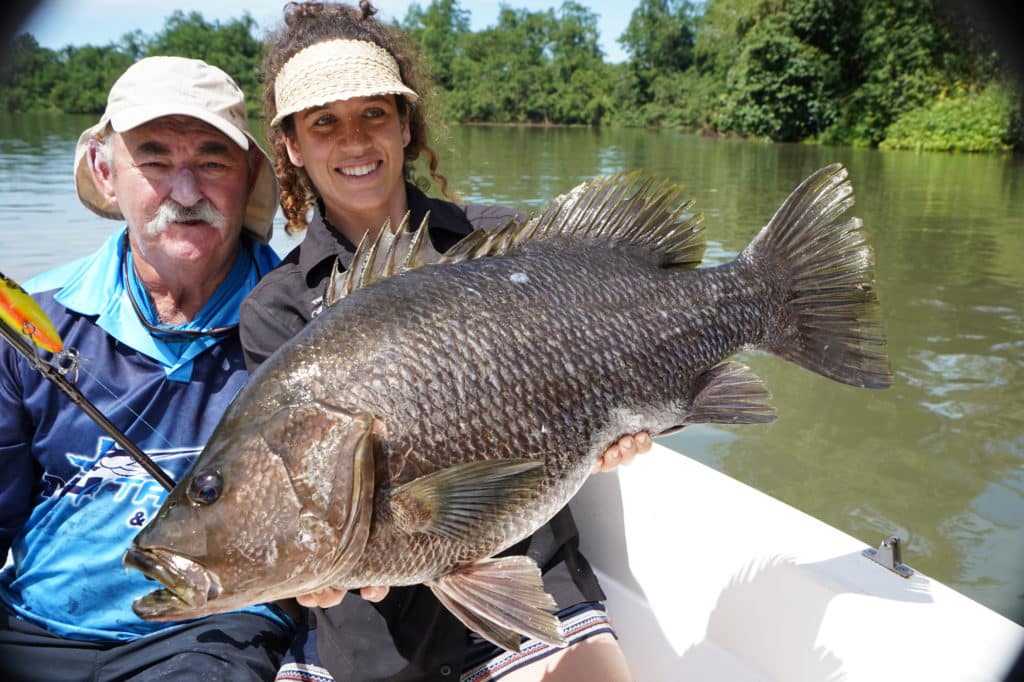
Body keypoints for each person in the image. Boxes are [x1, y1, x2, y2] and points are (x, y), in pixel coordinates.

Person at [242, 3, 651, 680]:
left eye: (374, 113)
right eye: (324, 123)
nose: (354, 140)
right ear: (289, 145)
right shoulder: (277, 309)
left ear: (406, 123)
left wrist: (621, 420)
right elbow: (295, 487)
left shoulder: (501, 246)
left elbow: (593, 358)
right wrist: (303, 571)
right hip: (375, 636)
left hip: (534, 571)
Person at [0, 56, 293, 680]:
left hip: (216, 632)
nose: (185, 193)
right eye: (155, 161)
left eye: (212, 161)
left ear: (248, 176)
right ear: (107, 174)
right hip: (34, 623)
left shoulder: (303, 319)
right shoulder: (29, 321)